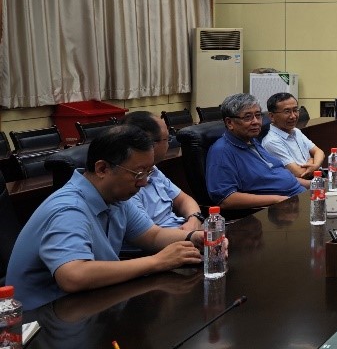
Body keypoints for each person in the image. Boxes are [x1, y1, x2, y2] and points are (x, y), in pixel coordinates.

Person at [6, 125, 208, 310]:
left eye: (148, 172)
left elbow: (153, 236)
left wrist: (193, 237)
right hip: (42, 319)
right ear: (102, 169)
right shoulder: (69, 209)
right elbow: (73, 276)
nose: (144, 182)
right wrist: (158, 261)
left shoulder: (116, 198)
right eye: (138, 173)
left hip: (88, 304)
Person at [205, 93, 305, 211]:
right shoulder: (222, 152)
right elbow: (226, 199)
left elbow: (279, 176)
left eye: (258, 115)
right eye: (248, 117)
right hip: (281, 210)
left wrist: (315, 183)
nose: (256, 122)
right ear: (229, 123)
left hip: (298, 197)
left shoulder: (252, 141)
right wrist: (277, 200)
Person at [120, 111, 204, 230]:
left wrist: (194, 218)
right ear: (151, 144)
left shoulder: (153, 169)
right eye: (167, 139)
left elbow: (183, 200)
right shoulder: (128, 183)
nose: (169, 144)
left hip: (183, 230)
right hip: (167, 238)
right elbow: (148, 235)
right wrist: (190, 235)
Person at [260, 92, 325, 187]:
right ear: (272, 116)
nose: (293, 116)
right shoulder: (271, 141)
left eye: (295, 110)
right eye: (287, 112)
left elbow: (319, 152)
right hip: (298, 187)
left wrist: (314, 164)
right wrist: (312, 160)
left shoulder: (296, 131)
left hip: (315, 178)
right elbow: (299, 173)